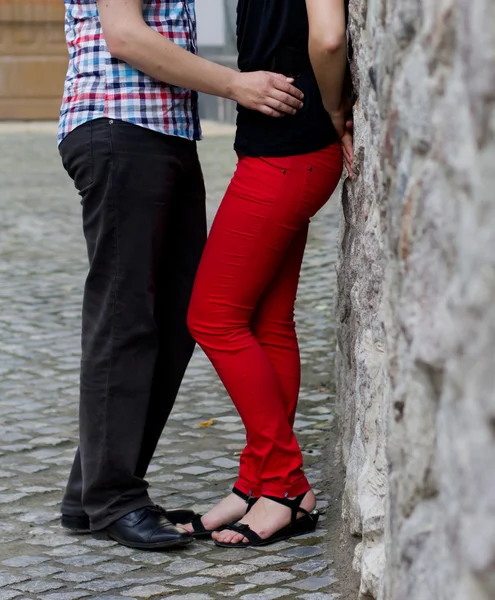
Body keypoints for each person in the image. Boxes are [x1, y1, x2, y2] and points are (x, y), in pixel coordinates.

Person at [58, 0, 305, 551]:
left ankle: (90, 492)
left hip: (163, 133)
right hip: (118, 126)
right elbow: (124, 36)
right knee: (125, 322)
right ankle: (113, 496)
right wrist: (237, 85)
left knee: (175, 320)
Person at [185, 0, 354, 547]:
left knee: (212, 318)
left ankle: (285, 483)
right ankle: (257, 482)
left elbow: (328, 37)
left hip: (288, 154)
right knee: (266, 321)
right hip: (278, 151)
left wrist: (332, 110)